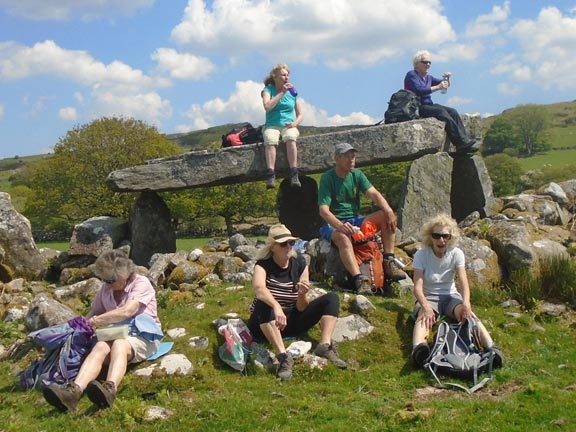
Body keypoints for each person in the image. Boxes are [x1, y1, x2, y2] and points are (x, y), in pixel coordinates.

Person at [42, 249, 163, 412]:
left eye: (111, 280)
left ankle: (109, 389)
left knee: (120, 344)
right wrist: (80, 328)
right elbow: (92, 314)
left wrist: (98, 321)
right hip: (115, 334)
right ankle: (74, 392)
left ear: (125, 274)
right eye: (104, 280)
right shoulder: (106, 290)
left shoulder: (141, 283)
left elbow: (127, 311)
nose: (107, 284)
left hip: (143, 335)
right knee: (100, 347)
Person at [248, 224, 347, 380]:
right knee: (263, 303)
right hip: (265, 323)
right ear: (272, 247)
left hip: (290, 320)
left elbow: (301, 307)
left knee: (331, 299)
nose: (288, 247)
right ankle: (283, 358)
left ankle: (324, 346)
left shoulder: (299, 264)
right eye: (283, 244)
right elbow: (259, 289)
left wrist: (302, 294)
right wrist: (276, 306)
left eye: (291, 243)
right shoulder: (262, 265)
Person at [410, 213, 502, 367]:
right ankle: (419, 349)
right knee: (424, 317)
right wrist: (425, 307)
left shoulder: (456, 254)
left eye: (445, 236)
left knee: (469, 316)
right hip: (428, 296)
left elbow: (464, 282)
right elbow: (417, 287)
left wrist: (466, 304)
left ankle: (492, 348)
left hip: (451, 296)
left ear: (450, 237)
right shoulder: (421, 254)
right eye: (436, 236)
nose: (441, 240)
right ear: (430, 237)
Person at [318, 142, 406, 294]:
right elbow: (324, 211)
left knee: (386, 216)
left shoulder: (357, 174)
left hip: (355, 219)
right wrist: (339, 226)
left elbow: (374, 194)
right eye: (347, 157)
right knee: (344, 238)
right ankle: (360, 279)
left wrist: (389, 210)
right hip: (333, 223)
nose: (351, 160)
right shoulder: (328, 178)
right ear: (337, 158)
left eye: (353, 156)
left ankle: (388, 260)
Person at [404, 50, 478, 153]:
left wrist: (447, 79)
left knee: (453, 111)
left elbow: (444, 84)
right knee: (441, 112)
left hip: (429, 105)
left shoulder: (428, 77)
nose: (428, 64)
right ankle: (460, 143)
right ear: (416, 64)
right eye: (425, 62)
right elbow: (419, 90)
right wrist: (438, 87)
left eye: (429, 62)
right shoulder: (412, 75)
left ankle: (464, 141)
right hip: (417, 107)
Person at [261, 63, 304, 189]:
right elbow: (267, 107)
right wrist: (281, 93)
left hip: (288, 125)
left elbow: (300, 114)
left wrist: (294, 124)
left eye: (287, 75)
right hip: (272, 125)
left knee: (291, 137)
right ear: (275, 76)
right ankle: (270, 174)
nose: (286, 77)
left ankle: (294, 173)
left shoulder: (293, 92)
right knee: (270, 139)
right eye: (283, 75)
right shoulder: (268, 90)